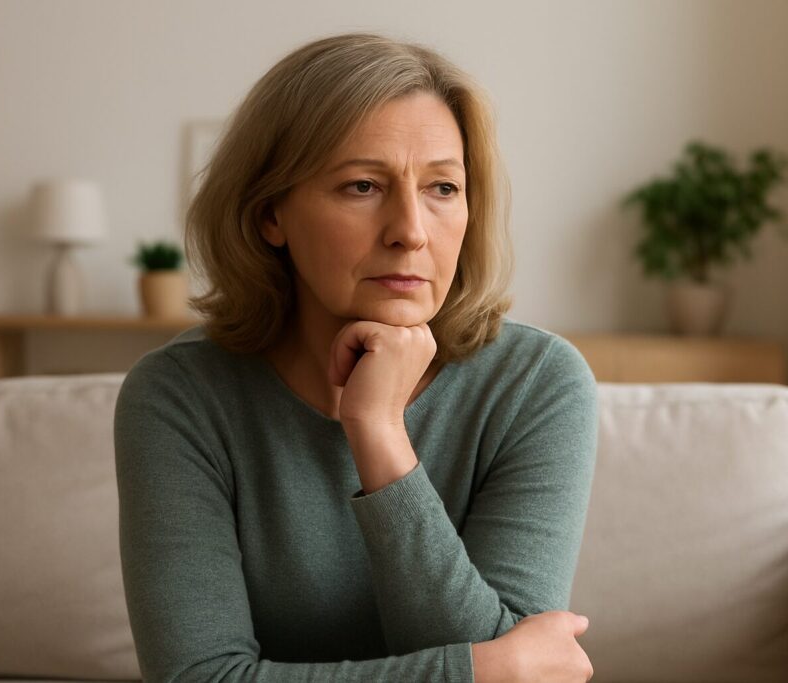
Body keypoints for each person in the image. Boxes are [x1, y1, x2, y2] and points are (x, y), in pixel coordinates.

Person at [114, 32, 597, 682]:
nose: (411, 231)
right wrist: (475, 671)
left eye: (443, 187)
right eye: (363, 185)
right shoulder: (179, 394)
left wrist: (380, 436)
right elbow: (197, 676)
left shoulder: (536, 383)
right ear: (270, 213)